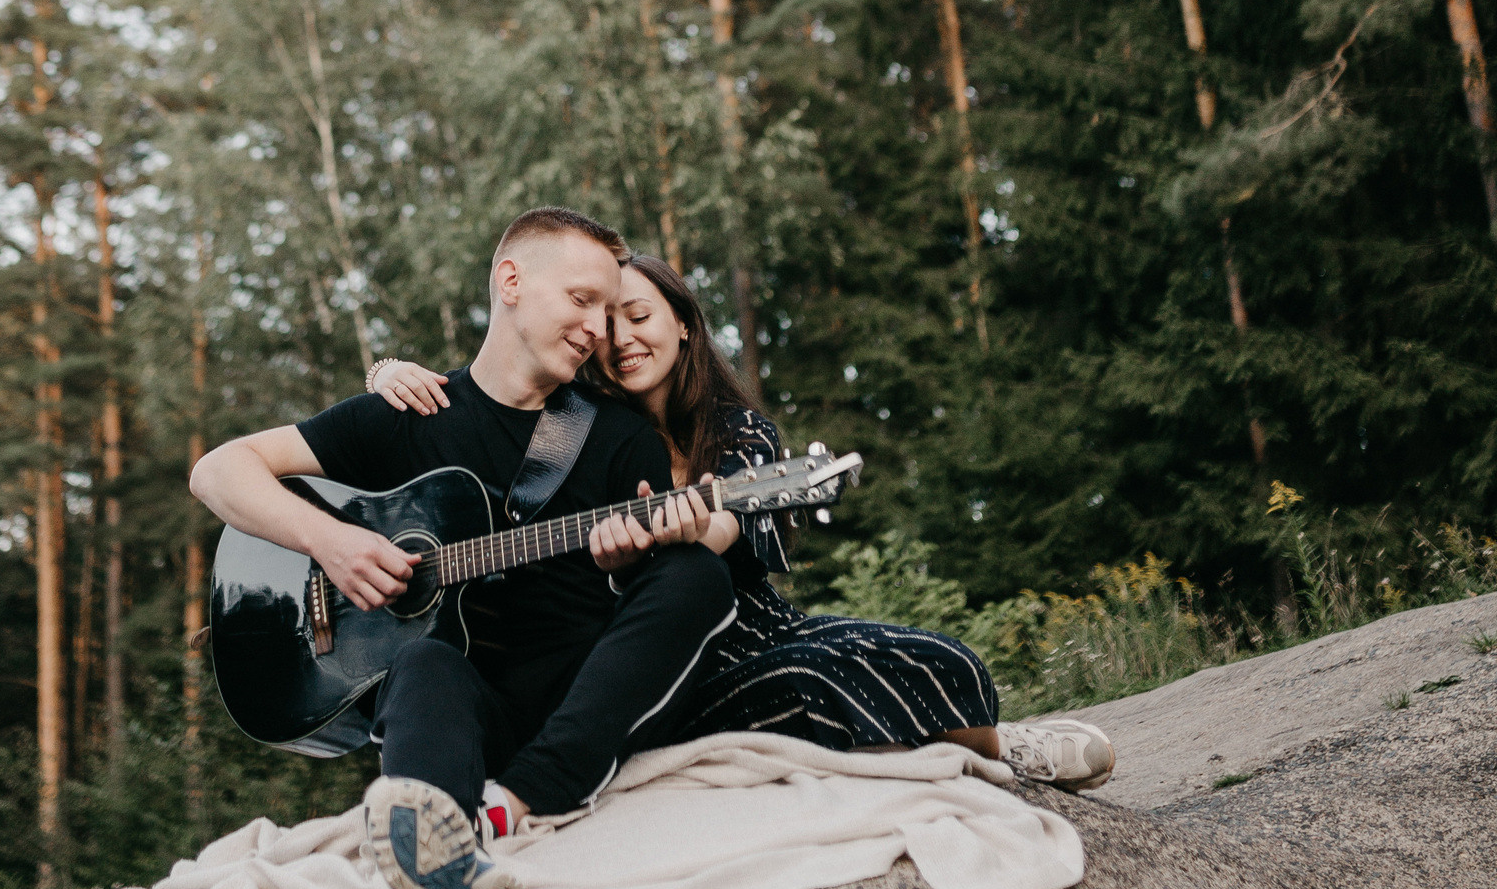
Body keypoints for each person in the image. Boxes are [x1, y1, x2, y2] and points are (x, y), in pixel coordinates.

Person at [189, 208, 736, 889]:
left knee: (693, 573)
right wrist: (331, 542)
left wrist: (631, 557)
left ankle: (515, 805)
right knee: (422, 661)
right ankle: (445, 861)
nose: (598, 329)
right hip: (465, 716)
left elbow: (657, 586)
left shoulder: (617, 435)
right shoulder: (409, 414)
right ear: (511, 282)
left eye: (609, 311)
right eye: (582, 300)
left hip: (576, 705)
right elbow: (218, 470)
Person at [370, 251, 1116, 793]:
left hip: (754, 629)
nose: (623, 339)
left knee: (935, 656)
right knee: (808, 683)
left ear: (683, 324)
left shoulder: (738, 433)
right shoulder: (568, 429)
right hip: (633, 661)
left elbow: (727, 532)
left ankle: (1000, 748)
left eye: (641, 317)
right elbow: (479, 409)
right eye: (607, 326)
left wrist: (692, 526)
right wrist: (385, 375)